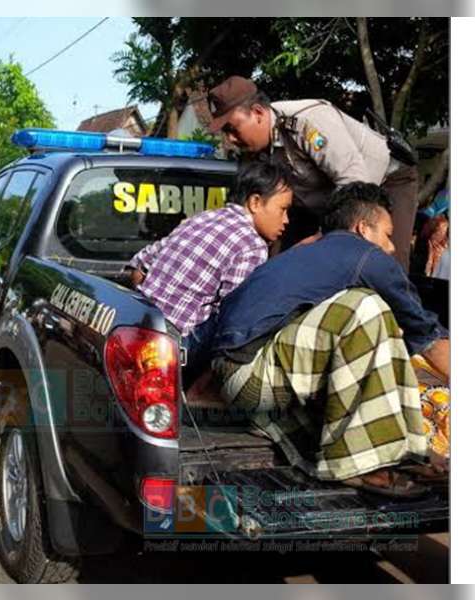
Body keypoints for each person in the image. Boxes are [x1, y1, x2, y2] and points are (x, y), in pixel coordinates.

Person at [209, 182, 449, 497]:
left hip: (235, 379)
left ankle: (404, 452)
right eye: (388, 235)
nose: (392, 247)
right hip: (250, 380)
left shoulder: (310, 253)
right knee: (366, 307)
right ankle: (361, 464)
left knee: (374, 321)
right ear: (363, 229)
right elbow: (427, 336)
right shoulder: (367, 257)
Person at [207, 75, 420, 271]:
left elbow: (355, 182)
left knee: (385, 263)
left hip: (384, 182)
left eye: (232, 129)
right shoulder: (254, 151)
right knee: (279, 264)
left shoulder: (306, 122)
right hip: (324, 204)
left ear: (258, 113)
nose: (230, 140)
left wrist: (322, 237)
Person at [127, 160, 293, 375]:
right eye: (283, 209)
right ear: (255, 202)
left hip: (139, 325)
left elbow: (139, 267)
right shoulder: (251, 245)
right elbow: (234, 321)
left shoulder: (202, 217)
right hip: (177, 345)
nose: (287, 220)